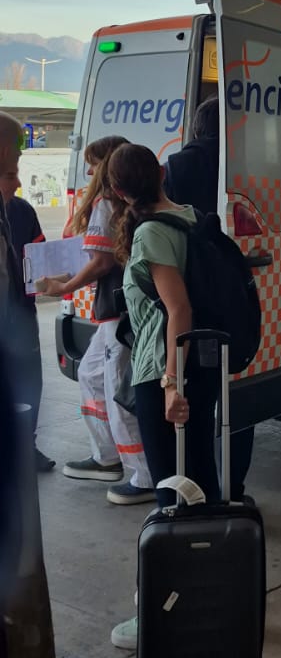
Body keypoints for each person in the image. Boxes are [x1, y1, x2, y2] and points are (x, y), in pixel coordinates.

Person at [108, 141, 223, 650]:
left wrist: (171, 385)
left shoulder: (153, 233)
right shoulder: (192, 216)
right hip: (199, 366)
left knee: (171, 496)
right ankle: (219, 598)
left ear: (116, 191)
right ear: (159, 173)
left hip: (165, 372)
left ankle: (165, 611)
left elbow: (178, 310)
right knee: (201, 486)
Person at [40, 136, 154, 504]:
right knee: (91, 375)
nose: (88, 171)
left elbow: (101, 262)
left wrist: (65, 286)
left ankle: (142, 474)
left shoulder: (107, 204)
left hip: (116, 311)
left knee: (117, 390)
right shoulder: (130, 204)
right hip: (121, 309)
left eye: (93, 163)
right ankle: (108, 456)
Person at [163, 96, 254, 503]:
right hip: (231, 292)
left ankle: (199, 490)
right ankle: (233, 490)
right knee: (236, 393)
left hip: (190, 290)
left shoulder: (176, 166)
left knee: (198, 398)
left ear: (197, 127)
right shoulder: (245, 166)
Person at [2, 171, 54, 471]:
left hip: (21, 314)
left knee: (29, 382)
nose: (19, 183)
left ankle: (26, 446)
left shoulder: (22, 211)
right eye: (10, 174)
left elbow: (39, 255)